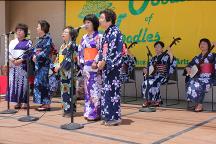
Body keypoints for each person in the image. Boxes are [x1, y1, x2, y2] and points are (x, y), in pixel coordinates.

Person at [98, 9, 123, 126]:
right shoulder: (106, 33)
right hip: (106, 67)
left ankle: (114, 117)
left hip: (112, 67)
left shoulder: (115, 32)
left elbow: (115, 51)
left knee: (112, 93)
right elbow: (102, 50)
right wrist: (98, 61)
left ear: (109, 20)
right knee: (106, 93)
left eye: (102, 18)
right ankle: (108, 116)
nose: (100, 20)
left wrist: (104, 61)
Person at [78, 14, 102, 121]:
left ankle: (95, 112)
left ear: (94, 24)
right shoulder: (83, 38)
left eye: (89, 22)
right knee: (87, 90)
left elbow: (101, 51)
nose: (86, 24)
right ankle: (88, 110)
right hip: (86, 67)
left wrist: (96, 61)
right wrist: (81, 62)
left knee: (95, 89)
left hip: (95, 66)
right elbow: (80, 51)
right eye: (85, 22)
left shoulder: (99, 37)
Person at [142, 41, 177, 107]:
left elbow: (173, 62)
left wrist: (171, 55)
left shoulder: (166, 56)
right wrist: (145, 69)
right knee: (145, 82)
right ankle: (148, 100)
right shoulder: (153, 58)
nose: (156, 48)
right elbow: (148, 67)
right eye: (155, 47)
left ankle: (155, 100)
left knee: (154, 82)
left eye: (158, 47)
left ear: (162, 48)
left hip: (163, 76)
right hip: (154, 75)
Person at [185, 38, 216, 112]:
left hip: (209, 77)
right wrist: (188, 68)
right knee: (190, 82)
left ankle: (200, 105)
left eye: (204, 44)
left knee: (200, 84)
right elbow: (189, 65)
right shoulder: (197, 57)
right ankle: (197, 103)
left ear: (208, 46)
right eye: (201, 44)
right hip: (198, 76)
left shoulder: (213, 55)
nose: (202, 45)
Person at [54, 26, 78, 117]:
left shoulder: (73, 45)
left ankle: (71, 110)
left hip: (69, 71)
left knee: (70, 90)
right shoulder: (62, 45)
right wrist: (56, 65)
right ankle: (66, 109)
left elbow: (71, 58)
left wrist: (60, 66)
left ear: (71, 35)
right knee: (63, 91)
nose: (63, 34)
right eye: (63, 32)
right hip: (62, 72)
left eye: (65, 32)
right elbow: (58, 57)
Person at [6, 23, 32, 109]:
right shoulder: (12, 42)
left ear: (25, 32)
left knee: (23, 84)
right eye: (17, 30)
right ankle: (17, 102)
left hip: (23, 65)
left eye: (21, 30)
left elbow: (29, 53)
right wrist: (13, 60)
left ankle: (25, 102)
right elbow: (8, 52)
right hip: (14, 66)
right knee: (14, 83)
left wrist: (20, 60)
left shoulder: (28, 42)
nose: (19, 32)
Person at [32, 20, 53, 111]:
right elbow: (35, 50)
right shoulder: (39, 39)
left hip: (44, 65)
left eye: (38, 26)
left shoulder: (48, 38)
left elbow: (46, 51)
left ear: (43, 28)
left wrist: (37, 56)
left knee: (43, 83)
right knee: (38, 83)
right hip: (38, 65)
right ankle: (43, 103)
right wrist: (33, 55)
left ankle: (46, 104)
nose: (36, 28)